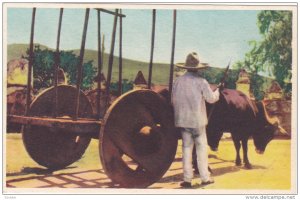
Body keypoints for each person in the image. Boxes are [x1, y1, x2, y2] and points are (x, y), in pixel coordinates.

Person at [172, 52, 220, 188]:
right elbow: (211, 99)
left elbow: (173, 100)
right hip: (197, 122)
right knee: (201, 149)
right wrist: (217, 92)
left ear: (186, 67)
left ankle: (187, 179)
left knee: (186, 149)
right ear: (198, 68)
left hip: (183, 121)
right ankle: (205, 178)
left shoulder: (178, 82)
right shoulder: (201, 82)